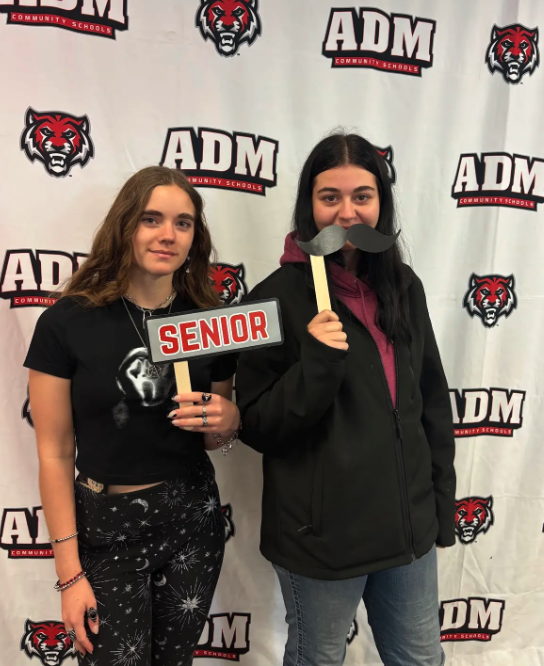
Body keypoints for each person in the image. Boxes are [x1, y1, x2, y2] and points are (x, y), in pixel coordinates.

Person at [235, 133, 455, 666]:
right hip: (322, 541)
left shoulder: (405, 286)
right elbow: (258, 425)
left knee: (422, 659)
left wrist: (439, 508)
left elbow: (431, 403)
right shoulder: (272, 298)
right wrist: (317, 362)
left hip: (408, 532)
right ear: (309, 206)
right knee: (318, 658)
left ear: (382, 203)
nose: (347, 211)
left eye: (362, 196)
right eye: (329, 196)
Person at [24, 166, 241, 665]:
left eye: (183, 223)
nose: (168, 234)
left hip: (192, 520)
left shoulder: (211, 318)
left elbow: (216, 436)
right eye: (152, 219)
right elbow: (54, 453)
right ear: (125, 225)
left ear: (195, 236)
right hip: (107, 529)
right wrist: (70, 574)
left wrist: (228, 421)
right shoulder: (66, 323)